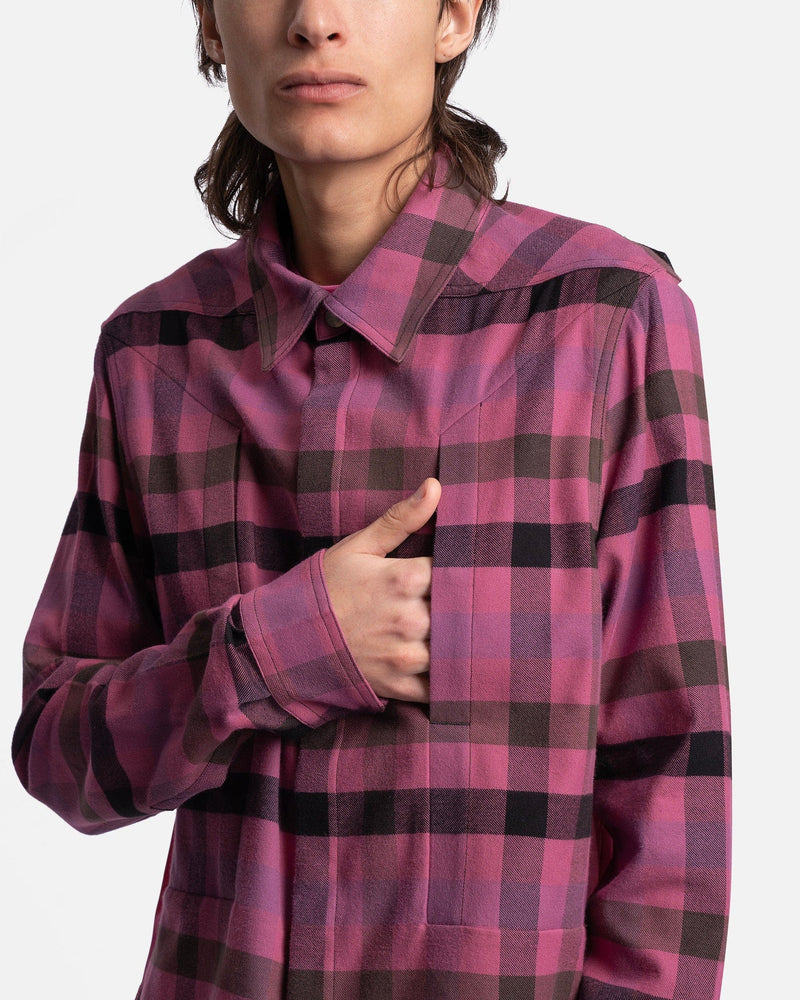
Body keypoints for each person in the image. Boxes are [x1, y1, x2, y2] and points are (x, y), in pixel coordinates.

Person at [12, 2, 731, 998]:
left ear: (453, 16)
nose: (314, 21)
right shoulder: (155, 352)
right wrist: (271, 650)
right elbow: (61, 757)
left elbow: (672, 773)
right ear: (212, 24)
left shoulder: (602, 317)